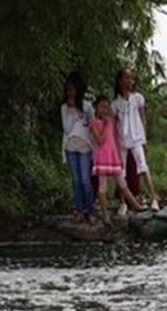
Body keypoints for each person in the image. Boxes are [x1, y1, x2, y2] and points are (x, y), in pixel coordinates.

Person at [90, 95, 144, 225]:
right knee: (103, 187)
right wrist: (106, 124)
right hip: (102, 158)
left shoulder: (112, 121)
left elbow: (115, 139)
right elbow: (100, 140)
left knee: (122, 183)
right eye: (102, 107)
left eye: (106, 107)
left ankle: (137, 206)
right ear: (95, 108)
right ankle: (105, 214)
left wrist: (119, 157)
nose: (104, 110)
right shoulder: (94, 123)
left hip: (113, 157)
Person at [112, 69, 160, 213]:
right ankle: (122, 203)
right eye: (126, 78)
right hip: (122, 141)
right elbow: (114, 127)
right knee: (122, 171)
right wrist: (114, 145)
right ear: (120, 81)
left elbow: (143, 119)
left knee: (143, 167)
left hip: (137, 138)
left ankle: (153, 199)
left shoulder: (138, 98)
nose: (129, 81)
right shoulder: (115, 104)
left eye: (131, 78)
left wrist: (144, 141)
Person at [61, 72, 97, 224]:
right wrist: (70, 110)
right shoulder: (64, 108)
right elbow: (67, 129)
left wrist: (96, 149)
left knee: (85, 179)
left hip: (85, 147)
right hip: (71, 147)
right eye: (68, 90)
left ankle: (90, 210)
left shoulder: (88, 107)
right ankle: (78, 210)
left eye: (73, 89)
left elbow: (93, 127)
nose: (70, 93)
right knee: (76, 180)